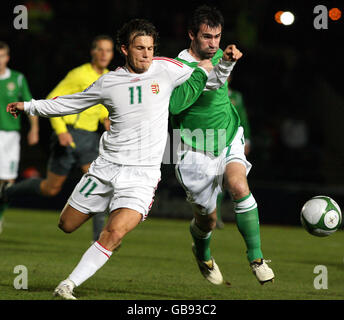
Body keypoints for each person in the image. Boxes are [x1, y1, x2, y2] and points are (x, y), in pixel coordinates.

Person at [6, 18, 214, 300]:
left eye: (150, 48)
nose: (146, 54)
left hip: (142, 176)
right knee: (66, 225)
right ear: (125, 49)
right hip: (105, 168)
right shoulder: (108, 82)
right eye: (140, 48)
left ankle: (67, 285)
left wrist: (220, 62)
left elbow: (200, 61)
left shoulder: (167, 69)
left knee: (114, 233)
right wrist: (29, 106)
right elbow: (70, 101)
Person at [170, 5, 274, 285]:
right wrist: (222, 65)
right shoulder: (177, 67)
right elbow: (175, 104)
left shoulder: (217, 56)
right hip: (193, 148)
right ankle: (202, 251)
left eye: (217, 37)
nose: (213, 43)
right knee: (208, 221)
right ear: (191, 34)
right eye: (206, 37)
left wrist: (224, 62)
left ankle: (257, 258)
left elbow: (219, 80)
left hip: (227, 134)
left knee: (239, 186)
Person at [1, 35, 113, 242]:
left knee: (100, 184)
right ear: (93, 52)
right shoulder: (78, 74)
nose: (105, 54)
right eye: (101, 49)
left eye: (109, 50)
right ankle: (8, 192)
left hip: (89, 139)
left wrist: (106, 118)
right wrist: (61, 129)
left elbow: (97, 108)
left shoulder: (108, 78)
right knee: (50, 189)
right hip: (69, 135)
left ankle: (98, 240)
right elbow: (54, 99)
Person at [0, 41, 39, 234]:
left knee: (7, 182)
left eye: (2, 56)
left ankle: (0, 216)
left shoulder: (17, 79)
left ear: (7, 58)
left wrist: (34, 129)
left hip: (10, 137)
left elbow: (29, 104)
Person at [216, 75, 251, 229]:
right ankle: (214, 216)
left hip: (233, 141)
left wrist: (247, 140)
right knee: (217, 181)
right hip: (214, 140)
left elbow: (242, 118)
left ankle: (226, 216)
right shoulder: (211, 93)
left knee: (232, 182)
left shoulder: (236, 97)